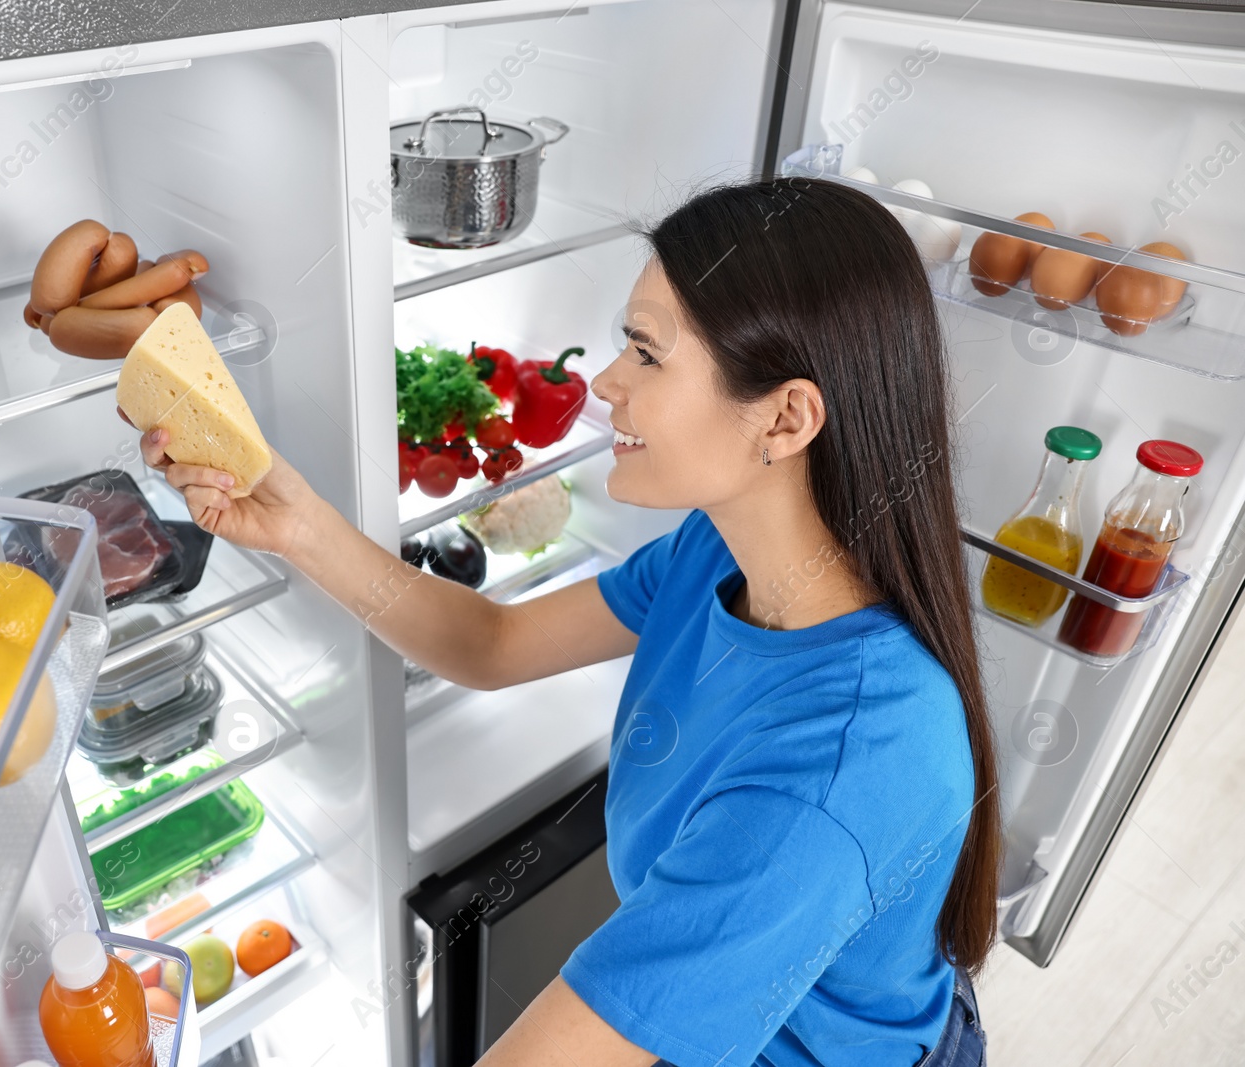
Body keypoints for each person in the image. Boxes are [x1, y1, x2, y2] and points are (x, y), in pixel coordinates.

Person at [126, 177, 996, 1067]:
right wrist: (295, 520)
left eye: (647, 355)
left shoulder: (839, 766)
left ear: (785, 416)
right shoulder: (718, 555)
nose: (606, 382)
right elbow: (492, 644)